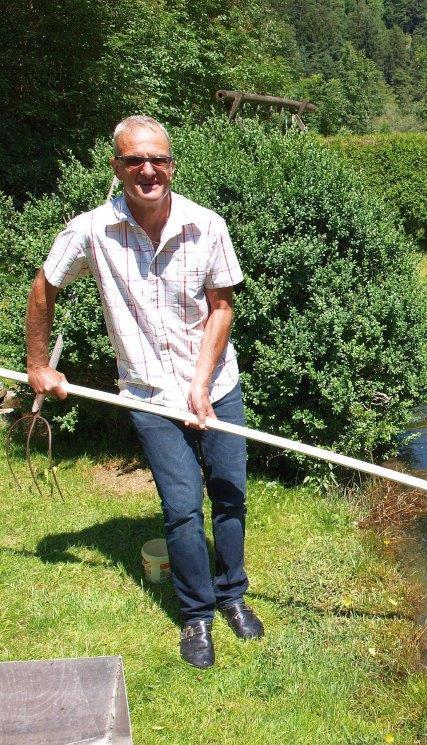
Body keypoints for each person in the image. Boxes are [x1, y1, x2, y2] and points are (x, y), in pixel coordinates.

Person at [25, 115, 263, 669]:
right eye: (135, 160)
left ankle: (233, 595)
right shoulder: (91, 231)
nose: (148, 170)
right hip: (147, 394)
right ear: (118, 167)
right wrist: (39, 365)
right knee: (182, 507)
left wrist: (201, 387)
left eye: (158, 159)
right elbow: (44, 286)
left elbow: (222, 308)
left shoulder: (208, 226)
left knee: (229, 493)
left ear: (172, 165)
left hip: (216, 385)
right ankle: (198, 614)